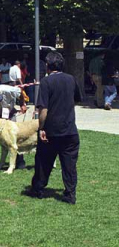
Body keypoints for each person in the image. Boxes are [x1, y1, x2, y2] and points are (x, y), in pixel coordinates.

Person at [28, 52, 82, 204]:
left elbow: (43, 109)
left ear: (48, 66)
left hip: (51, 131)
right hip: (70, 130)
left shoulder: (46, 82)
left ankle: (38, 189)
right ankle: (70, 194)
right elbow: (76, 100)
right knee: (69, 165)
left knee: (43, 162)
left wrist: (41, 128)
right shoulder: (71, 79)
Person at [0, 84, 27, 171]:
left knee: (16, 137)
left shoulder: (10, 90)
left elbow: (21, 92)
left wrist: (22, 104)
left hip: (10, 114)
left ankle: (20, 162)